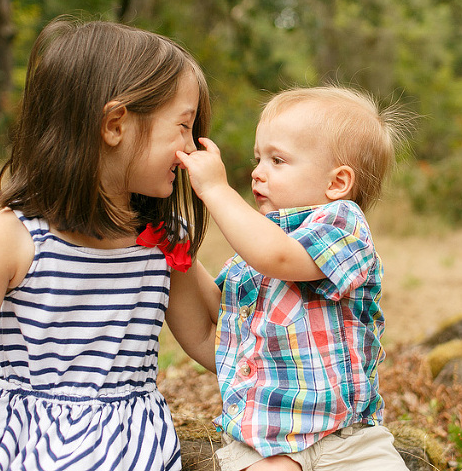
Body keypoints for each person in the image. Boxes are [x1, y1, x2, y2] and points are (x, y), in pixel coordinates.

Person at [0, 16, 221, 471]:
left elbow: (205, 338)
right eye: (183, 126)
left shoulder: (163, 240)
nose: (192, 147)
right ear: (115, 124)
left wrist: (290, 376)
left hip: (123, 446)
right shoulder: (12, 239)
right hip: (17, 441)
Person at [177, 85, 414, 471]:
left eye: (277, 160)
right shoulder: (255, 250)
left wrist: (216, 189)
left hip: (347, 437)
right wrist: (180, 254)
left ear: (337, 183)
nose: (257, 172)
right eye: (258, 158)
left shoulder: (343, 224)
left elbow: (279, 257)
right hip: (266, 437)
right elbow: (219, 324)